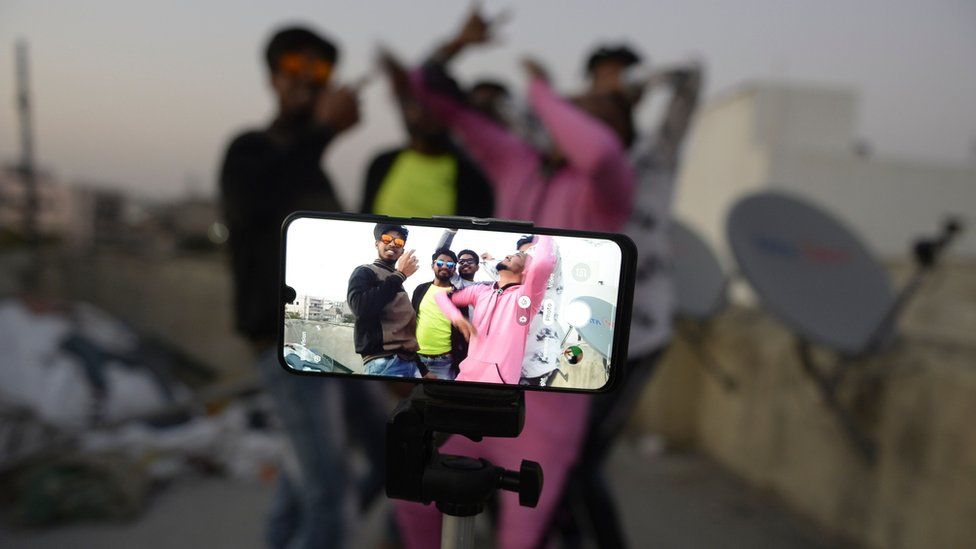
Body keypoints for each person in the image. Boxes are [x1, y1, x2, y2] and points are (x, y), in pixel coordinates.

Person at [392, 7, 635, 549]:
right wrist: (456, 44)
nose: (569, 123)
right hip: (472, 381)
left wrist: (544, 93)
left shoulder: (610, 190)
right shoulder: (517, 165)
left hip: (550, 405)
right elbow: (428, 95)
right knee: (410, 504)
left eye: (587, 114)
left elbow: (598, 153)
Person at [219, 26, 386, 549]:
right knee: (329, 495)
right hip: (286, 345)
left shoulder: (313, 170)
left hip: (338, 343)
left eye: (320, 72)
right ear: (272, 77)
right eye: (295, 67)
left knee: (379, 461)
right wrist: (322, 132)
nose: (308, 81)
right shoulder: (250, 151)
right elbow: (253, 205)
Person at [557, 44, 704, 548]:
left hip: (637, 338)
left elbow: (691, 77)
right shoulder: (575, 164)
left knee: (581, 457)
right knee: (560, 453)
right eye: (600, 84)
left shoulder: (654, 156)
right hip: (583, 331)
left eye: (618, 85)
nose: (609, 93)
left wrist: (644, 78)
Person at [360, 49, 494, 218]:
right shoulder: (382, 163)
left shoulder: (472, 180)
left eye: (435, 104)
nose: (425, 112)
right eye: (418, 102)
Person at [435, 235, 556, 384]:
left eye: (518, 255)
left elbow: (543, 263)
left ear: (527, 271)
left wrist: (544, 230)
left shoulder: (526, 297)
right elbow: (441, 297)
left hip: (499, 384)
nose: (508, 255)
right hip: (465, 377)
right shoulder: (480, 291)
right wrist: (457, 318)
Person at [481, 235, 565, 386]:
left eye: (532, 254)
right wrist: (489, 259)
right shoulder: (517, 283)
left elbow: (548, 254)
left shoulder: (550, 280)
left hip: (538, 368)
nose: (527, 259)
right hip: (510, 368)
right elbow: (502, 270)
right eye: (521, 255)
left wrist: (542, 229)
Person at [347, 223, 427, 379]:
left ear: (402, 251)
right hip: (384, 363)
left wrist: (423, 370)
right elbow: (360, 308)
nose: (392, 243)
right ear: (377, 243)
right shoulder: (365, 271)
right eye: (386, 239)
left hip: (409, 363)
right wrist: (399, 275)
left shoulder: (397, 282)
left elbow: (404, 335)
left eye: (398, 242)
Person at [410, 249, 468, 380]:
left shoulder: (459, 295)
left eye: (450, 264)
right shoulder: (420, 289)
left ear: (454, 270)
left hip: (445, 362)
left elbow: (463, 331)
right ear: (433, 266)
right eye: (440, 262)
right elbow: (410, 321)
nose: (445, 266)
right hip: (416, 359)